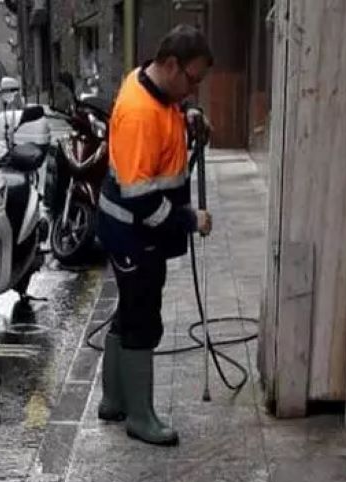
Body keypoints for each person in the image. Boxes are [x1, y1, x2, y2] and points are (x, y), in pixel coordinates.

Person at [94, 25, 214, 446]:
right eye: (192, 81)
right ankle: (139, 417)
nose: (193, 89)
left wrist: (188, 116)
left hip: (128, 228)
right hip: (132, 231)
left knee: (128, 310)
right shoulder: (140, 114)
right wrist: (189, 219)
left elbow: (168, 116)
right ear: (169, 65)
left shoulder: (151, 86)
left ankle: (113, 400)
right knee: (142, 319)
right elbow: (142, 200)